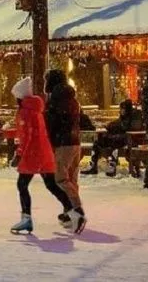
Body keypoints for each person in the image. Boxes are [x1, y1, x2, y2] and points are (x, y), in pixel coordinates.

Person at [3, 77, 75, 235]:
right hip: (43, 152)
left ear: (20, 97)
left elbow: (26, 136)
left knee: (22, 185)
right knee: (51, 184)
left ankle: (26, 218)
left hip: (31, 153)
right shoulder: (36, 110)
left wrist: (19, 154)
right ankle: (72, 211)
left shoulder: (25, 112)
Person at [44, 69, 85, 232]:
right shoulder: (72, 99)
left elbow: (51, 124)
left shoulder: (55, 100)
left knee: (60, 179)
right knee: (72, 178)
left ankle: (76, 209)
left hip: (62, 143)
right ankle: (69, 212)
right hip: (75, 142)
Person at [83, 99, 143, 177]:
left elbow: (129, 127)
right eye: (121, 109)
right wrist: (109, 126)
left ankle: (112, 165)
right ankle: (93, 165)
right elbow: (118, 123)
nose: (121, 111)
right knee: (98, 142)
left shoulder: (134, 116)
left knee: (114, 142)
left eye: (123, 109)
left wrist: (117, 126)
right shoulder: (123, 117)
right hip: (118, 137)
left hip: (128, 139)